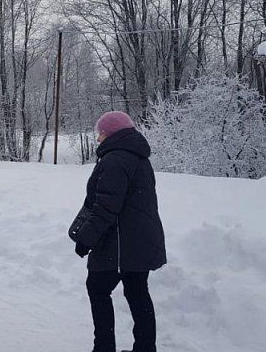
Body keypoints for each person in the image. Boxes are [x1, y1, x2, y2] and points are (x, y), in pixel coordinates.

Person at [72, 111, 167, 352]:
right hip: (139, 240)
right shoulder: (138, 157)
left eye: (100, 133)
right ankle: (145, 348)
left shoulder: (115, 160)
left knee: (97, 287)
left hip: (120, 243)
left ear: (111, 134)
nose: (97, 139)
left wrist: (86, 238)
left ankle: (103, 347)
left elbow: (106, 206)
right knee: (137, 292)